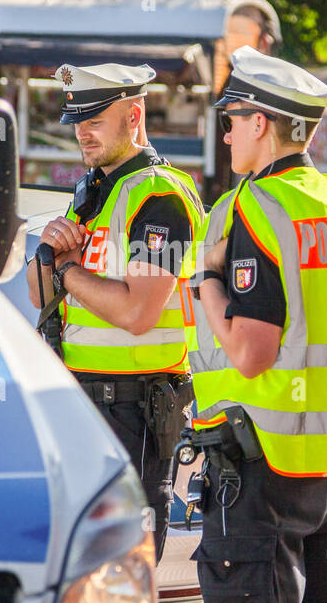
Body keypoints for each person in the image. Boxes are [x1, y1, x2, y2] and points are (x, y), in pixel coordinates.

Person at [186, 46, 327, 603]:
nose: (226, 133)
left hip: (257, 469)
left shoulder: (251, 211)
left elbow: (250, 352)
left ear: (262, 123)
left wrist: (208, 283)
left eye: (234, 119)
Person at [26, 62, 205, 562]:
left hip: (136, 411)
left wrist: (66, 272)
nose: (82, 131)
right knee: (84, 570)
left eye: (95, 118)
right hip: (86, 402)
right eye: (77, 120)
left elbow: (137, 313)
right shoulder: (91, 191)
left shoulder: (162, 198)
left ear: (134, 114)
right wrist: (47, 250)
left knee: (127, 566)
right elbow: (40, 296)